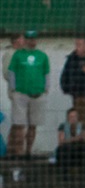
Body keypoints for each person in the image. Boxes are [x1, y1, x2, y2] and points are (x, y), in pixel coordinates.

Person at [7, 30, 50, 159]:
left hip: (37, 94)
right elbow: (11, 72)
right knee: (20, 125)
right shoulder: (17, 55)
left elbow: (46, 73)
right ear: (25, 40)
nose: (32, 41)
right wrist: (14, 89)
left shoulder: (42, 56)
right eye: (29, 39)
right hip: (21, 95)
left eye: (34, 39)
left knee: (33, 125)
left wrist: (45, 89)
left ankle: (28, 152)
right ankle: (18, 152)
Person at [55, 107, 85, 176]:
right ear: (68, 117)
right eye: (71, 117)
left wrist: (75, 138)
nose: (73, 118)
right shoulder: (63, 126)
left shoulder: (81, 125)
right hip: (67, 149)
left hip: (79, 148)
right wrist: (75, 138)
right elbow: (61, 141)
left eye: (75, 116)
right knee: (62, 151)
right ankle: (64, 175)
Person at [2, 34, 25, 157]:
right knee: (19, 123)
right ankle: (18, 151)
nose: (24, 40)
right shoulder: (10, 54)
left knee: (18, 122)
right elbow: (7, 73)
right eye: (22, 38)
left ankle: (11, 149)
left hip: (26, 94)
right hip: (17, 93)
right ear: (16, 40)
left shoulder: (23, 54)